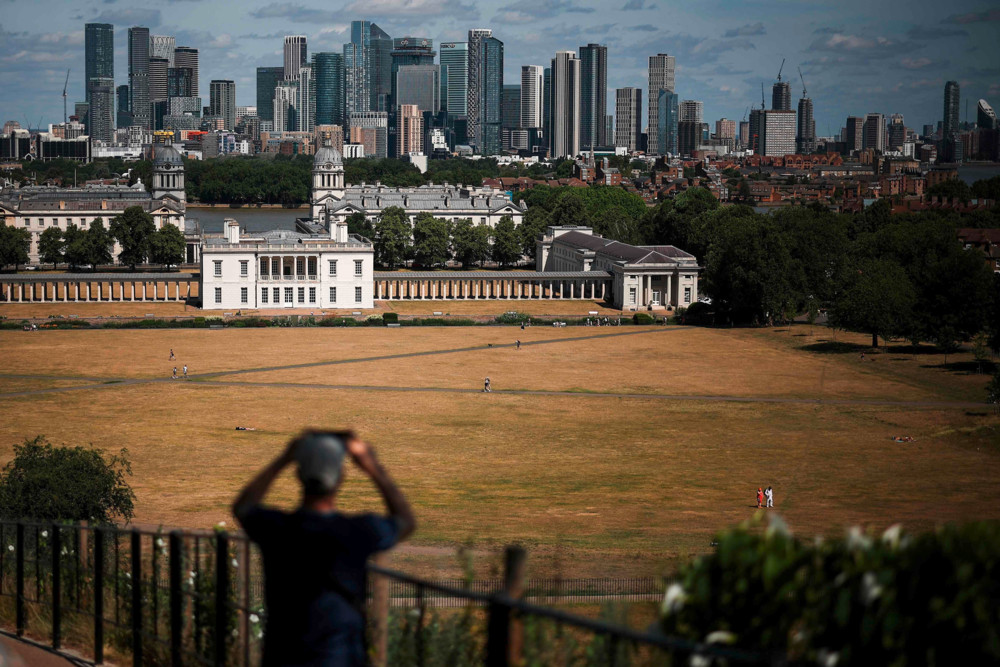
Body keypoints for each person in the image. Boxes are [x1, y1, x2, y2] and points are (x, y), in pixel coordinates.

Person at [233, 431, 415, 667]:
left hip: (283, 655)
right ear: (340, 479)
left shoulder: (277, 528)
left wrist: (285, 458)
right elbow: (406, 521)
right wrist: (371, 465)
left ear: (298, 475)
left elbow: (243, 507)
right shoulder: (357, 532)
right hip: (342, 657)